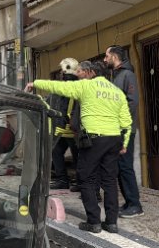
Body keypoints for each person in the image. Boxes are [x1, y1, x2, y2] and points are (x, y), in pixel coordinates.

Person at [25, 61, 132, 234]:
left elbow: (59, 87)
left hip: (93, 140)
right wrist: (125, 143)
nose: (79, 74)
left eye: (81, 71)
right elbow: (126, 121)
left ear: (90, 73)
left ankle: (94, 222)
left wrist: (35, 83)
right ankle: (111, 223)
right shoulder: (117, 92)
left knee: (87, 179)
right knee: (110, 181)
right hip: (114, 139)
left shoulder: (86, 86)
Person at [103, 45, 143, 217]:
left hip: (125, 129)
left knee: (125, 167)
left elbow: (132, 102)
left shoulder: (128, 75)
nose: (104, 60)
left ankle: (135, 205)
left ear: (114, 56)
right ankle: (129, 203)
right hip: (116, 129)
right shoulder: (116, 76)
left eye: (106, 56)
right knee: (120, 166)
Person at [48, 58, 81, 190]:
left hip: (66, 128)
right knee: (77, 156)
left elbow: (60, 106)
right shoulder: (79, 85)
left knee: (57, 151)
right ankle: (78, 182)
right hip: (74, 127)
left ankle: (64, 180)